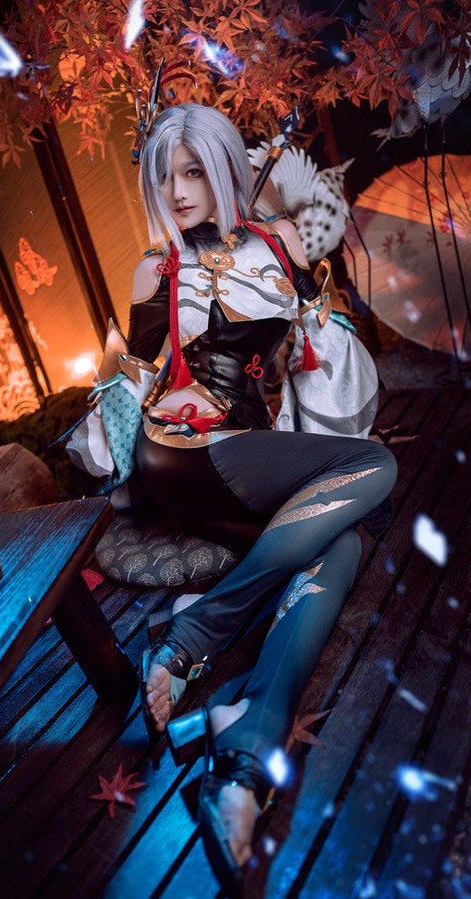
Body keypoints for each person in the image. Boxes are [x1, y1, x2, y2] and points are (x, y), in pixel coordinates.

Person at [123, 102, 397, 896]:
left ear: (225, 169)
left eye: (193, 171)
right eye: (164, 177)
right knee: (376, 469)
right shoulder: (156, 266)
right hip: (182, 450)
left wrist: (308, 303)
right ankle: (201, 629)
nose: (178, 192)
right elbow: (137, 375)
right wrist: (140, 400)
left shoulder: (277, 242)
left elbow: (309, 352)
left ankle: (243, 755)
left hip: (250, 448)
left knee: (342, 540)